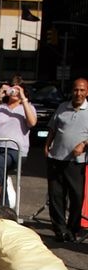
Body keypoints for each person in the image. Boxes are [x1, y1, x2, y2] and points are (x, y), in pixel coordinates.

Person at [44, 77, 88, 241]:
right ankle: (60, 229)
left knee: (76, 196)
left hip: (76, 162)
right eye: (76, 89)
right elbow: (53, 128)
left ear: (87, 92)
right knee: (56, 196)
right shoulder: (62, 107)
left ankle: (73, 228)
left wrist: (84, 144)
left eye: (82, 90)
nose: (78, 93)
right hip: (56, 158)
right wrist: (47, 145)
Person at [0, 79, 37, 209]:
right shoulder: (0, 108)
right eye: (12, 89)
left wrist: (23, 97)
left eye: (18, 89)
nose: (14, 91)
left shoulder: (27, 107)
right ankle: (4, 209)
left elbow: (32, 122)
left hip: (15, 149)